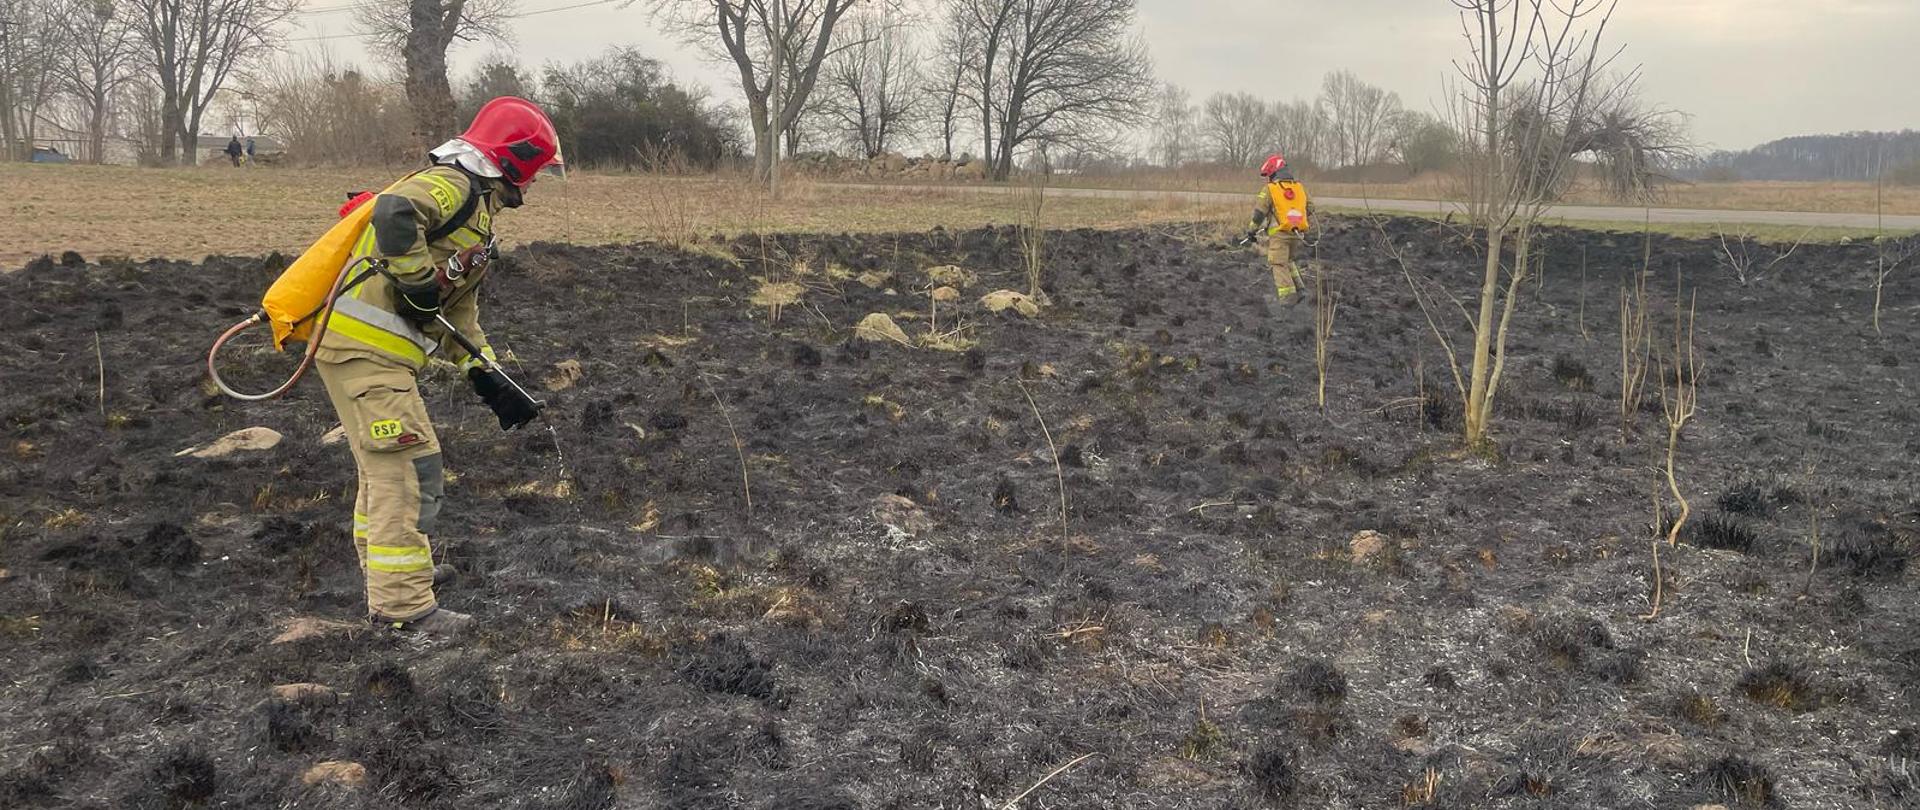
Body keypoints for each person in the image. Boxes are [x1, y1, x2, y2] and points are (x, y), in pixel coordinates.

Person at [314, 97, 561, 635]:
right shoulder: (453, 185)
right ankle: (404, 608)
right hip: (363, 355)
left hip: (377, 359)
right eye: (537, 169)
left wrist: (489, 375)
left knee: (387, 471)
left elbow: (458, 312)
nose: (537, 181)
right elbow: (395, 212)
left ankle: (398, 573)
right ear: (513, 158)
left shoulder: (477, 213)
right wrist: (416, 279)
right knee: (405, 468)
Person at [1239, 153, 1313, 311]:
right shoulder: (1299, 188)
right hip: (1297, 234)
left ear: (1273, 173)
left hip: (1279, 235)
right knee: (1288, 260)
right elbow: (1311, 208)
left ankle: (1288, 299)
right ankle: (1300, 290)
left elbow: (1259, 213)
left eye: (1268, 175)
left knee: (1278, 263)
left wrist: (1251, 230)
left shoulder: (1270, 189)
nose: (1268, 178)